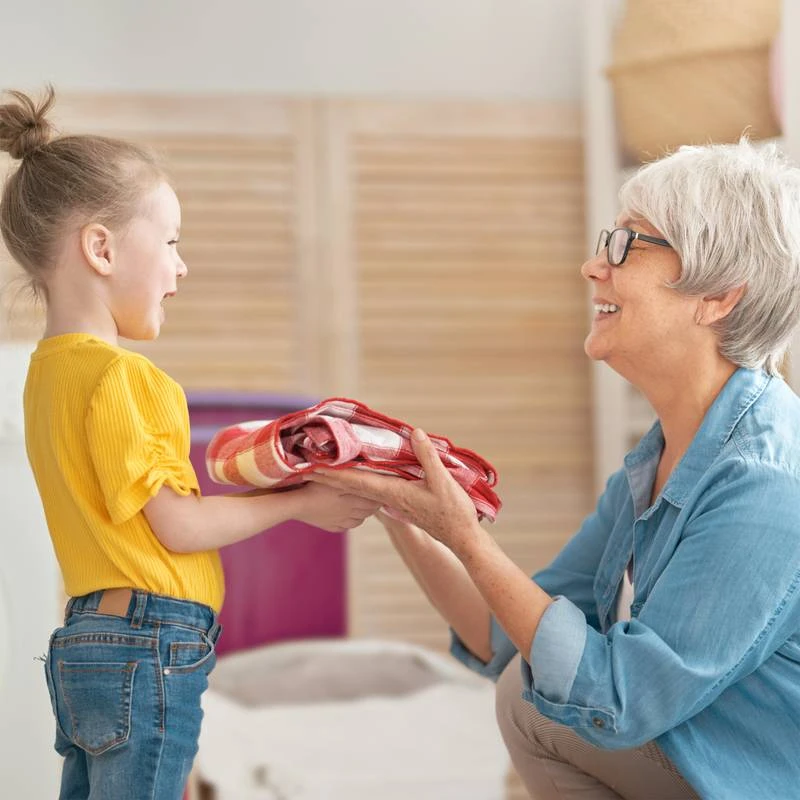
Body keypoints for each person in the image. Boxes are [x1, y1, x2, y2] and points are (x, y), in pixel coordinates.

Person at [309, 138, 800, 799]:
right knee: (529, 690)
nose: (593, 266)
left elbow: (615, 698)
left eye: (628, 245)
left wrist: (467, 536)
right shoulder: (665, 454)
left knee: (534, 707)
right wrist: (400, 501)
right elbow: (513, 640)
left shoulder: (768, 481)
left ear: (716, 297)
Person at [0, 86, 379, 799]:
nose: (180, 269)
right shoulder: (125, 377)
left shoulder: (44, 379)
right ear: (101, 248)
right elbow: (178, 525)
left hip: (85, 637)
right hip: (149, 639)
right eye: (170, 242)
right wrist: (301, 501)